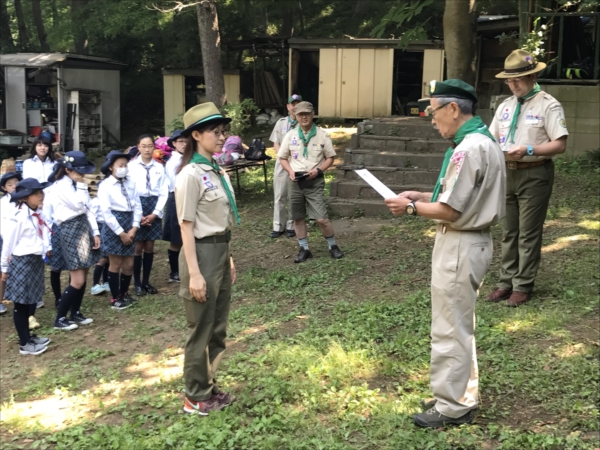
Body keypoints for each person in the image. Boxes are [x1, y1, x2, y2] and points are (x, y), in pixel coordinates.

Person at [385, 79, 505, 428]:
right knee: (459, 324)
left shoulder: (468, 148)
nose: (431, 118)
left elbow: (452, 211)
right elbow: (463, 196)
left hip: (460, 242)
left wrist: (409, 208)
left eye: (433, 111)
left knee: (449, 327)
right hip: (471, 240)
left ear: (453, 109)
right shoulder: (484, 141)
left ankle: (452, 406)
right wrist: (423, 195)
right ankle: (459, 394)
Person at [487, 49, 569, 307]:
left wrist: (529, 150)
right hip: (507, 172)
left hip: (535, 173)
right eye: (509, 80)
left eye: (518, 79)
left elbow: (560, 145)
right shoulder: (505, 106)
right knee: (509, 231)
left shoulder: (549, 105)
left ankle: (523, 285)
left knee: (528, 232)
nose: (513, 85)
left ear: (533, 76)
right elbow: (491, 138)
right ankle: (505, 282)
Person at [175, 103, 238, 415]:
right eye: (214, 131)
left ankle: (209, 386)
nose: (221, 135)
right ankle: (195, 396)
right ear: (196, 135)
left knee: (217, 327)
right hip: (199, 254)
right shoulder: (190, 175)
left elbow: (220, 221)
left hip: (219, 251)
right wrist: (195, 274)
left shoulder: (217, 170)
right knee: (201, 327)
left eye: (222, 130)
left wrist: (228, 258)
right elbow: (186, 226)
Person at [277, 101, 344, 263]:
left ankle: (332, 245)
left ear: (313, 114)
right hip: (295, 182)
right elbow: (282, 157)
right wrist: (290, 171)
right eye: (300, 114)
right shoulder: (291, 135)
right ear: (296, 116)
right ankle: (304, 248)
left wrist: (319, 171)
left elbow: (330, 158)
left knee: (321, 218)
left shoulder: (322, 135)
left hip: (314, 181)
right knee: (298, 217)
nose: (304, 117)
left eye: (307, 114)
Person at [49, 152, 102, 331]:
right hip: (70, 229)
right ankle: (60, 318)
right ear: (67, 170)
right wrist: (81, 185)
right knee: (77, 279)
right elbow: (78, 205)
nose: (82, 175)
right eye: (78, 172)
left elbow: (88, 208)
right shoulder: (59, 187)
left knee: (84, 271)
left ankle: (75, 312)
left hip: (83, 226)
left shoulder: (77, 184)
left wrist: (95, 232)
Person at [1, 178, 53, 355]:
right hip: (22, 261)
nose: (41, 196)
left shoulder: (39, 212)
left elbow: (43, 233)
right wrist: (4, 268)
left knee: (31, 300)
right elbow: (8, 244)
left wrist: (46, 248)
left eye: (41, 192)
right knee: (20, 304)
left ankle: (30, 337)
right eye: (36, 193)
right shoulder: (19, 217)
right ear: (24, 198)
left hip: (35, 260)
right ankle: (24, 344)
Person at [98, 150, 142, 310]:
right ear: (111, 167)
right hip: (114, 226)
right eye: (120, 165)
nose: (123, 168)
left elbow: (137, 205)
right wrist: (121, 233)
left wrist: (134, 227)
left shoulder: (131, 183)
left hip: (130, 223)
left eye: (125, 165)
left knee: (129, 263)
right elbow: (106, 213)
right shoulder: (105, 186)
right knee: (115, 262)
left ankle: (124, 293)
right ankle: (115, 297)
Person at [128, 134, 169, 296]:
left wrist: (155, 213)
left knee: (150, 246)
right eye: (143, 146)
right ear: (138, 147)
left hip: (154, 206)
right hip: (137, 205)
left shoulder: (159, 167)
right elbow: (129, 192)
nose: (147, 149)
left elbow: (164, 192)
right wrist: (137, 215)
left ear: (154, 147)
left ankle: (146, 281)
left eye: (150, 146)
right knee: (138, 246)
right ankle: (137, 282)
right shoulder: (131, 167)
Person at [269, 94, 302, 239]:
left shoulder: (304, 123)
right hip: (282, 162)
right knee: (279, 195)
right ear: (288, 106)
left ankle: (290, 225)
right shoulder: (281, 123)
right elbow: (275, 142)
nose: (294, 107)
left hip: (297, 163)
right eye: (292, 104)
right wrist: (282, 155)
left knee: (292, 195)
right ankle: (278, 226)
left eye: (297, 104)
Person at [163, 130, 186, 283]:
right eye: (181, 141)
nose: (185, 144)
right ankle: (174, 272)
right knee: (176, 238)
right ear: (174, 144)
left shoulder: (189, 158)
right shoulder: (173, 162)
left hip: (188, 196)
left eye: (187, 141)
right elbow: (176, 183)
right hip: (176, 197)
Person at [0, 172, 23, 316]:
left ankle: (24, 299)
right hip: (6, 240)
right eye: (10, 184)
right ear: (4, 188)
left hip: (23, 241)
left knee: (22, 270)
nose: (14, 186)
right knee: (3, 272)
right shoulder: (3, 203)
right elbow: (3, 226)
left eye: (16, 183)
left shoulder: (25, 200)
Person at [90, 181, 110, 295]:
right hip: (99, 227)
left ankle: (106, 281)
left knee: (108, 257)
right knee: (101, 258)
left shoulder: (110, 201)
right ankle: (95, 284)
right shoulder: (95, 202)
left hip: (109, 227)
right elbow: (91, 216)